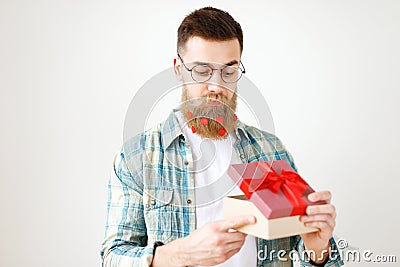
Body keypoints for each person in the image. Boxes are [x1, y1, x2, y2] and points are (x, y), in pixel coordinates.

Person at [101, 7, 344, 267]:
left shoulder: (271, 150)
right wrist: (181, 254)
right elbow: (113, 257)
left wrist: (319, 250)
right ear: (178, 69)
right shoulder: (137, 157)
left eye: (229, 71)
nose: (217, 87)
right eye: (202, 71)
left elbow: (304, 248)